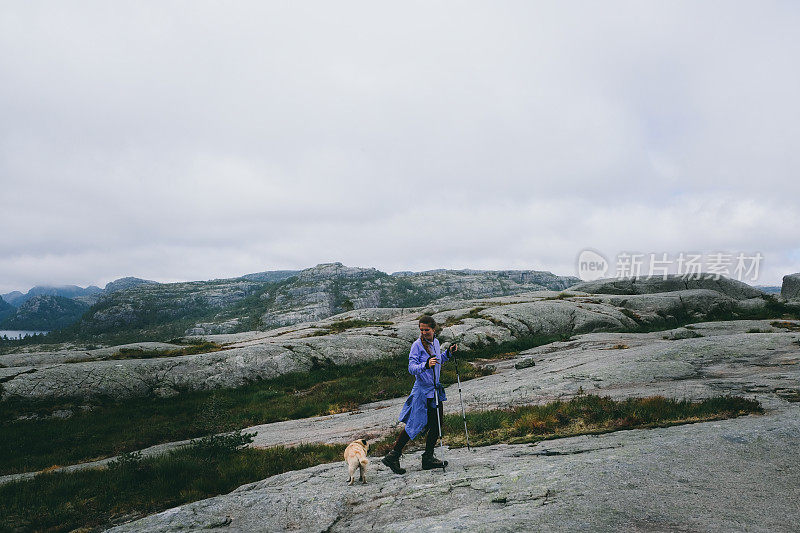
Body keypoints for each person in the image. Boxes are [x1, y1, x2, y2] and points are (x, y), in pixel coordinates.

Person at [382, 315, 457, 473]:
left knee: (436, 425)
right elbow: (411, 368)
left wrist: (448, 354)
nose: (423, 332)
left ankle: (427, 458)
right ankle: (393, 456)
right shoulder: (417, 345)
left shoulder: (435, 342)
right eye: (421, 330)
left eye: (426, 330)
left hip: (434, 390)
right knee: (415, 424)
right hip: (423, 392)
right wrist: (425, 365)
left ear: (433, 329)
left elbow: (438, 361)